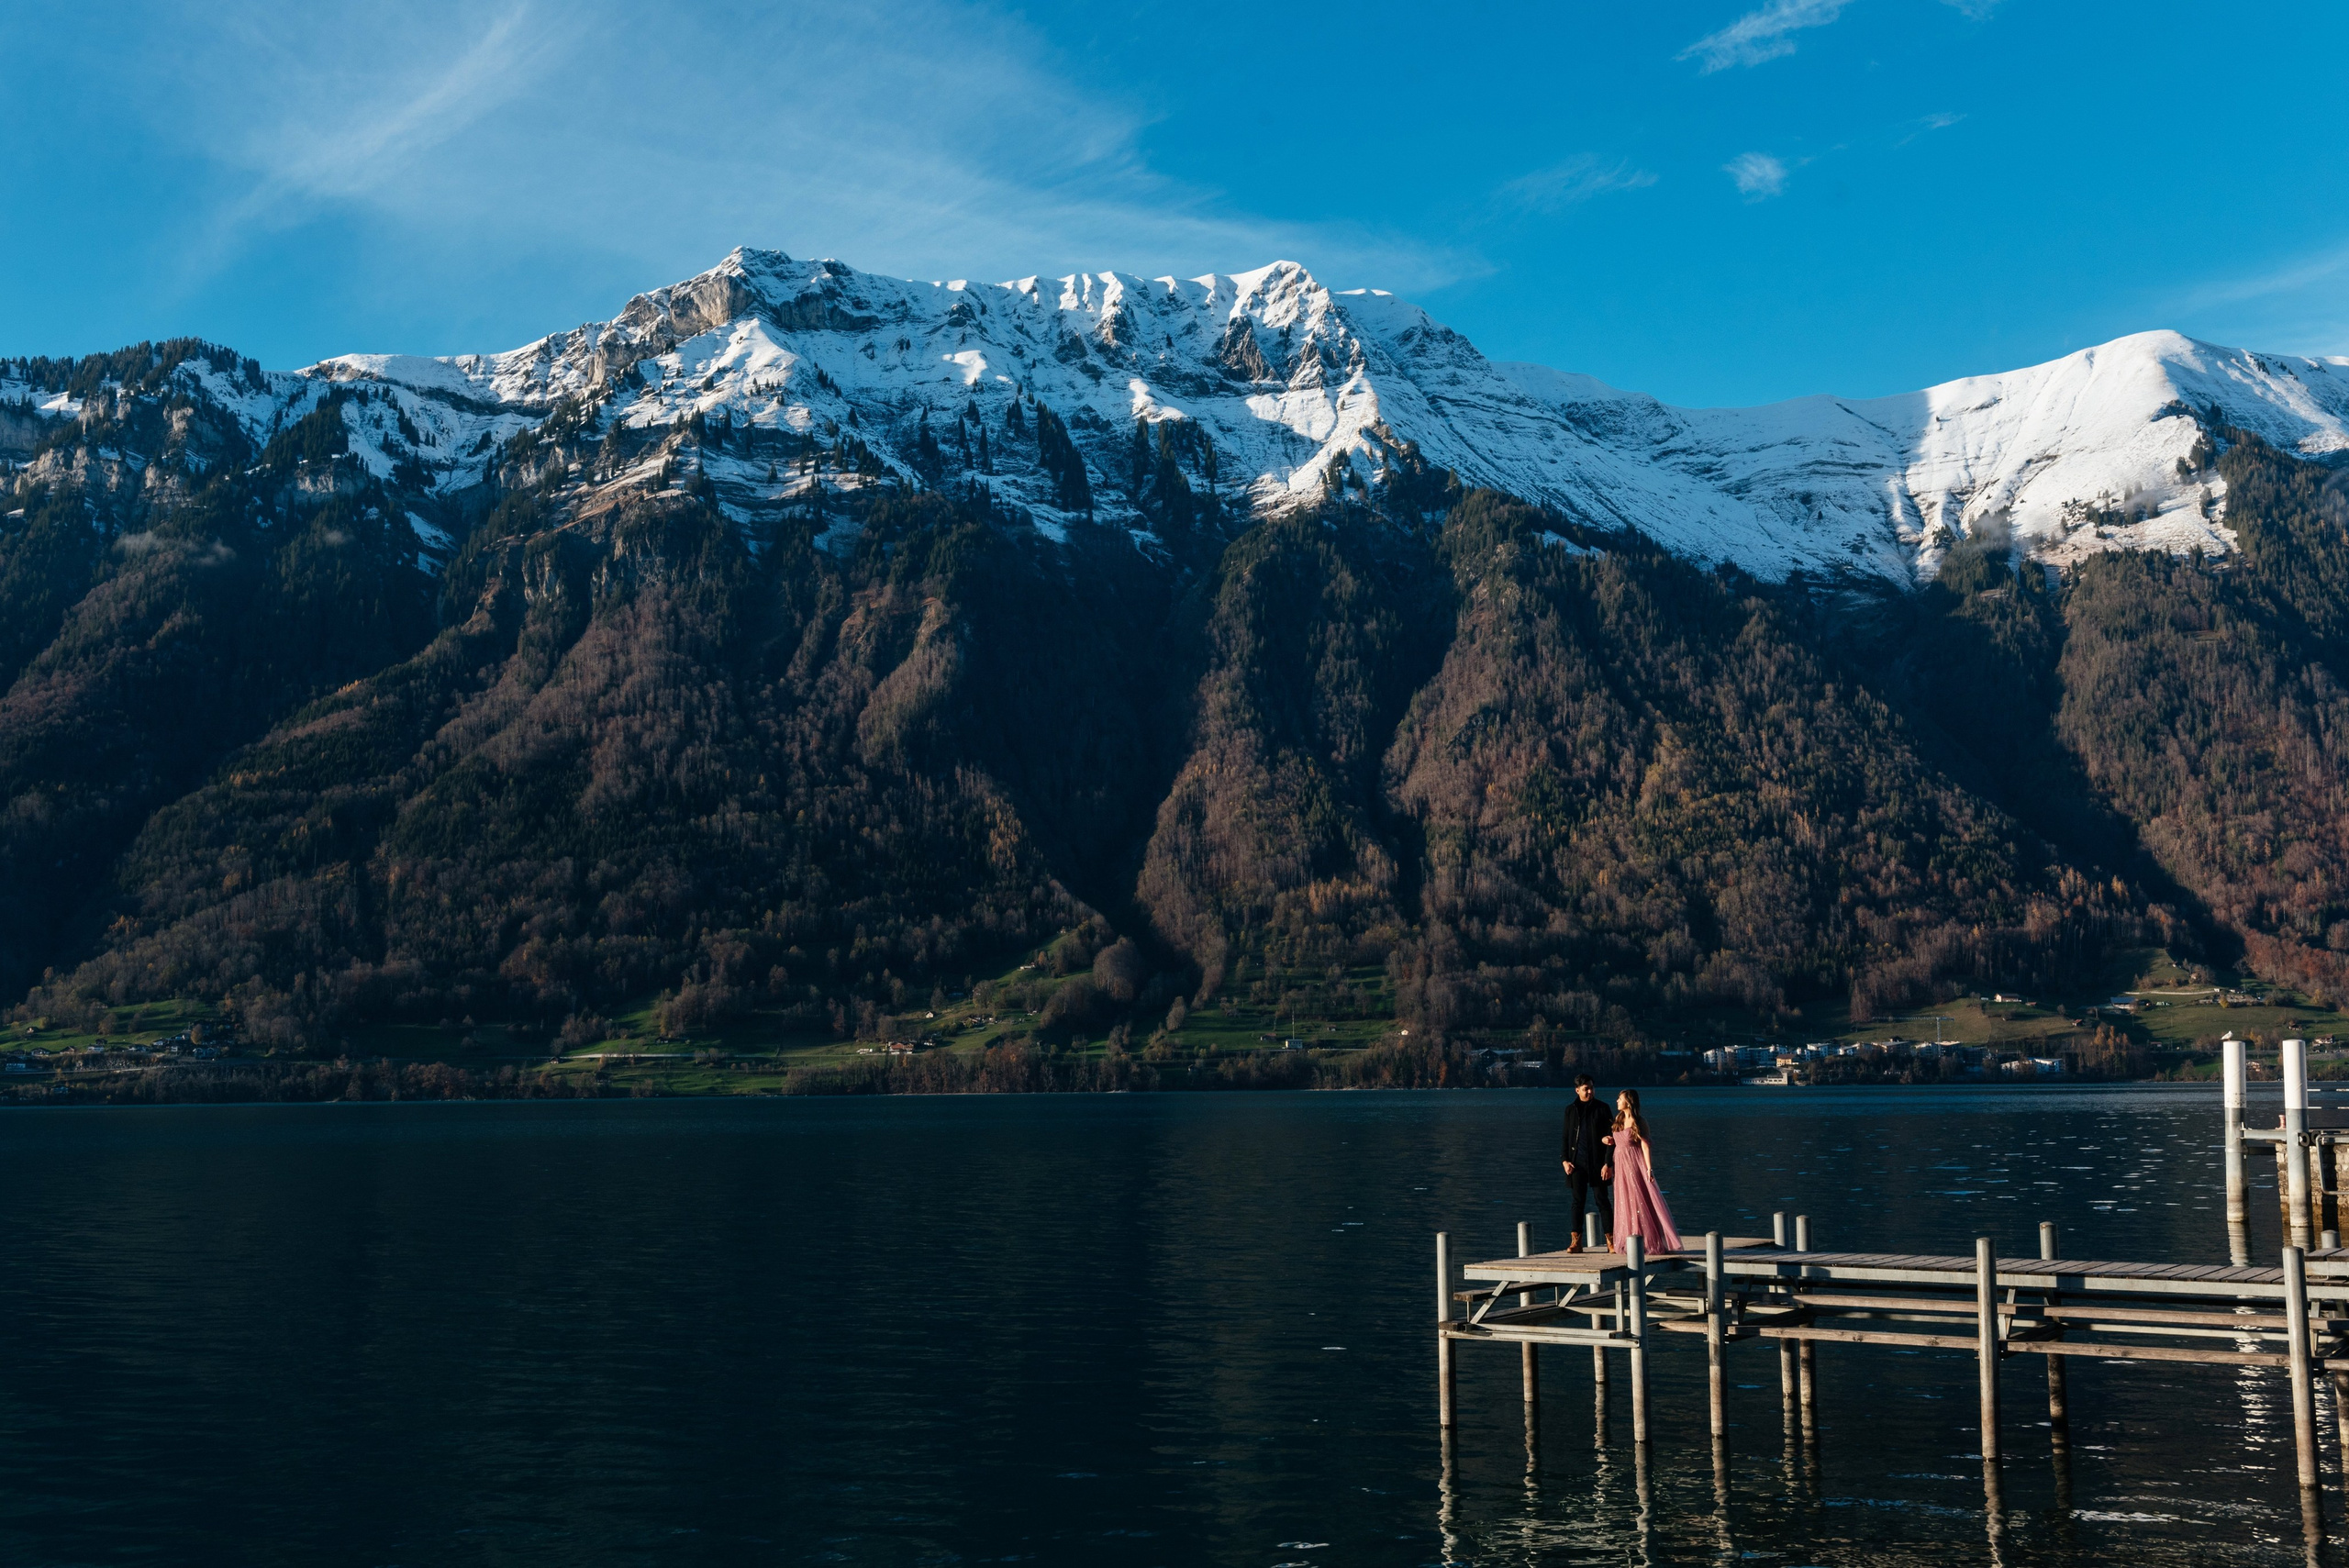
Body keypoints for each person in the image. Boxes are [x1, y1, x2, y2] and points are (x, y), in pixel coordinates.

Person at [1606, 1088, 1683, 1254]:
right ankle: (1629, 1238)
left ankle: (1647, 1240)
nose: (1617, 1101)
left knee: (1637, 1199)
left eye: (1620, 1099)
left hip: (1633, 1163)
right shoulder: (1619, 1119)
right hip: (1620, 1164)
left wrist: (1649, 1168)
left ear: (1628, 1101)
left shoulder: (1638, 1121)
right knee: (1624, 1200)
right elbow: (1618, 1141)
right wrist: (1608, 1140)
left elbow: (1645, 1145)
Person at [1560, 1074, 1612, 1252]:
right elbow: (1566, 1137)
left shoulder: (1603, 1108)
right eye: (1585, 1089)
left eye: (1591, 1087)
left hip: (1598, 1164)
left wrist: (1608, 1164)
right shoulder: (1570, 1110)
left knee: (1602, 1201)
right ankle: (1576, 1242)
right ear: (1577, 1090)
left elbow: (1612, 1140)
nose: (1590, 1091)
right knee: (1577, 1202)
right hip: (1577, 1164)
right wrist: (1564, 1160)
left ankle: (1611, 1241)